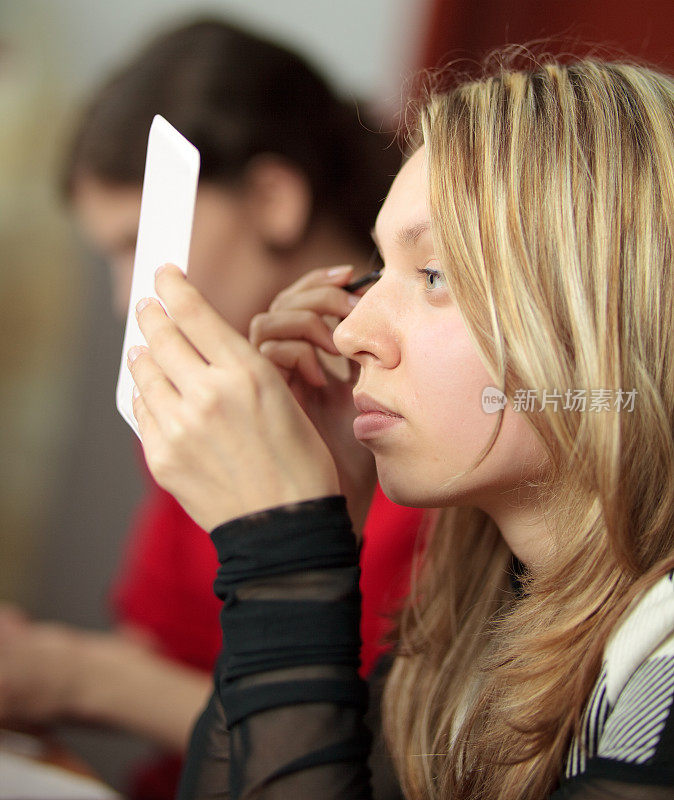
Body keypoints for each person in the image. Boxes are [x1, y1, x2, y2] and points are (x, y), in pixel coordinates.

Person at [125, 55, 674, 799]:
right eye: (379, 268)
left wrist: (284, 558)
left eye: (435, 276)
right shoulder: (478, 627)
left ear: (607, 315)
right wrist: (327, 519)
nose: (354, 333)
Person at [0, 18, 424, 800]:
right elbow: (159, 649)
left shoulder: (429, 442)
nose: (125, 292)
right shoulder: (212, 404)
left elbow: (384, 753)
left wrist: (71, 675)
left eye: (137, 241)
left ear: (272, 197)